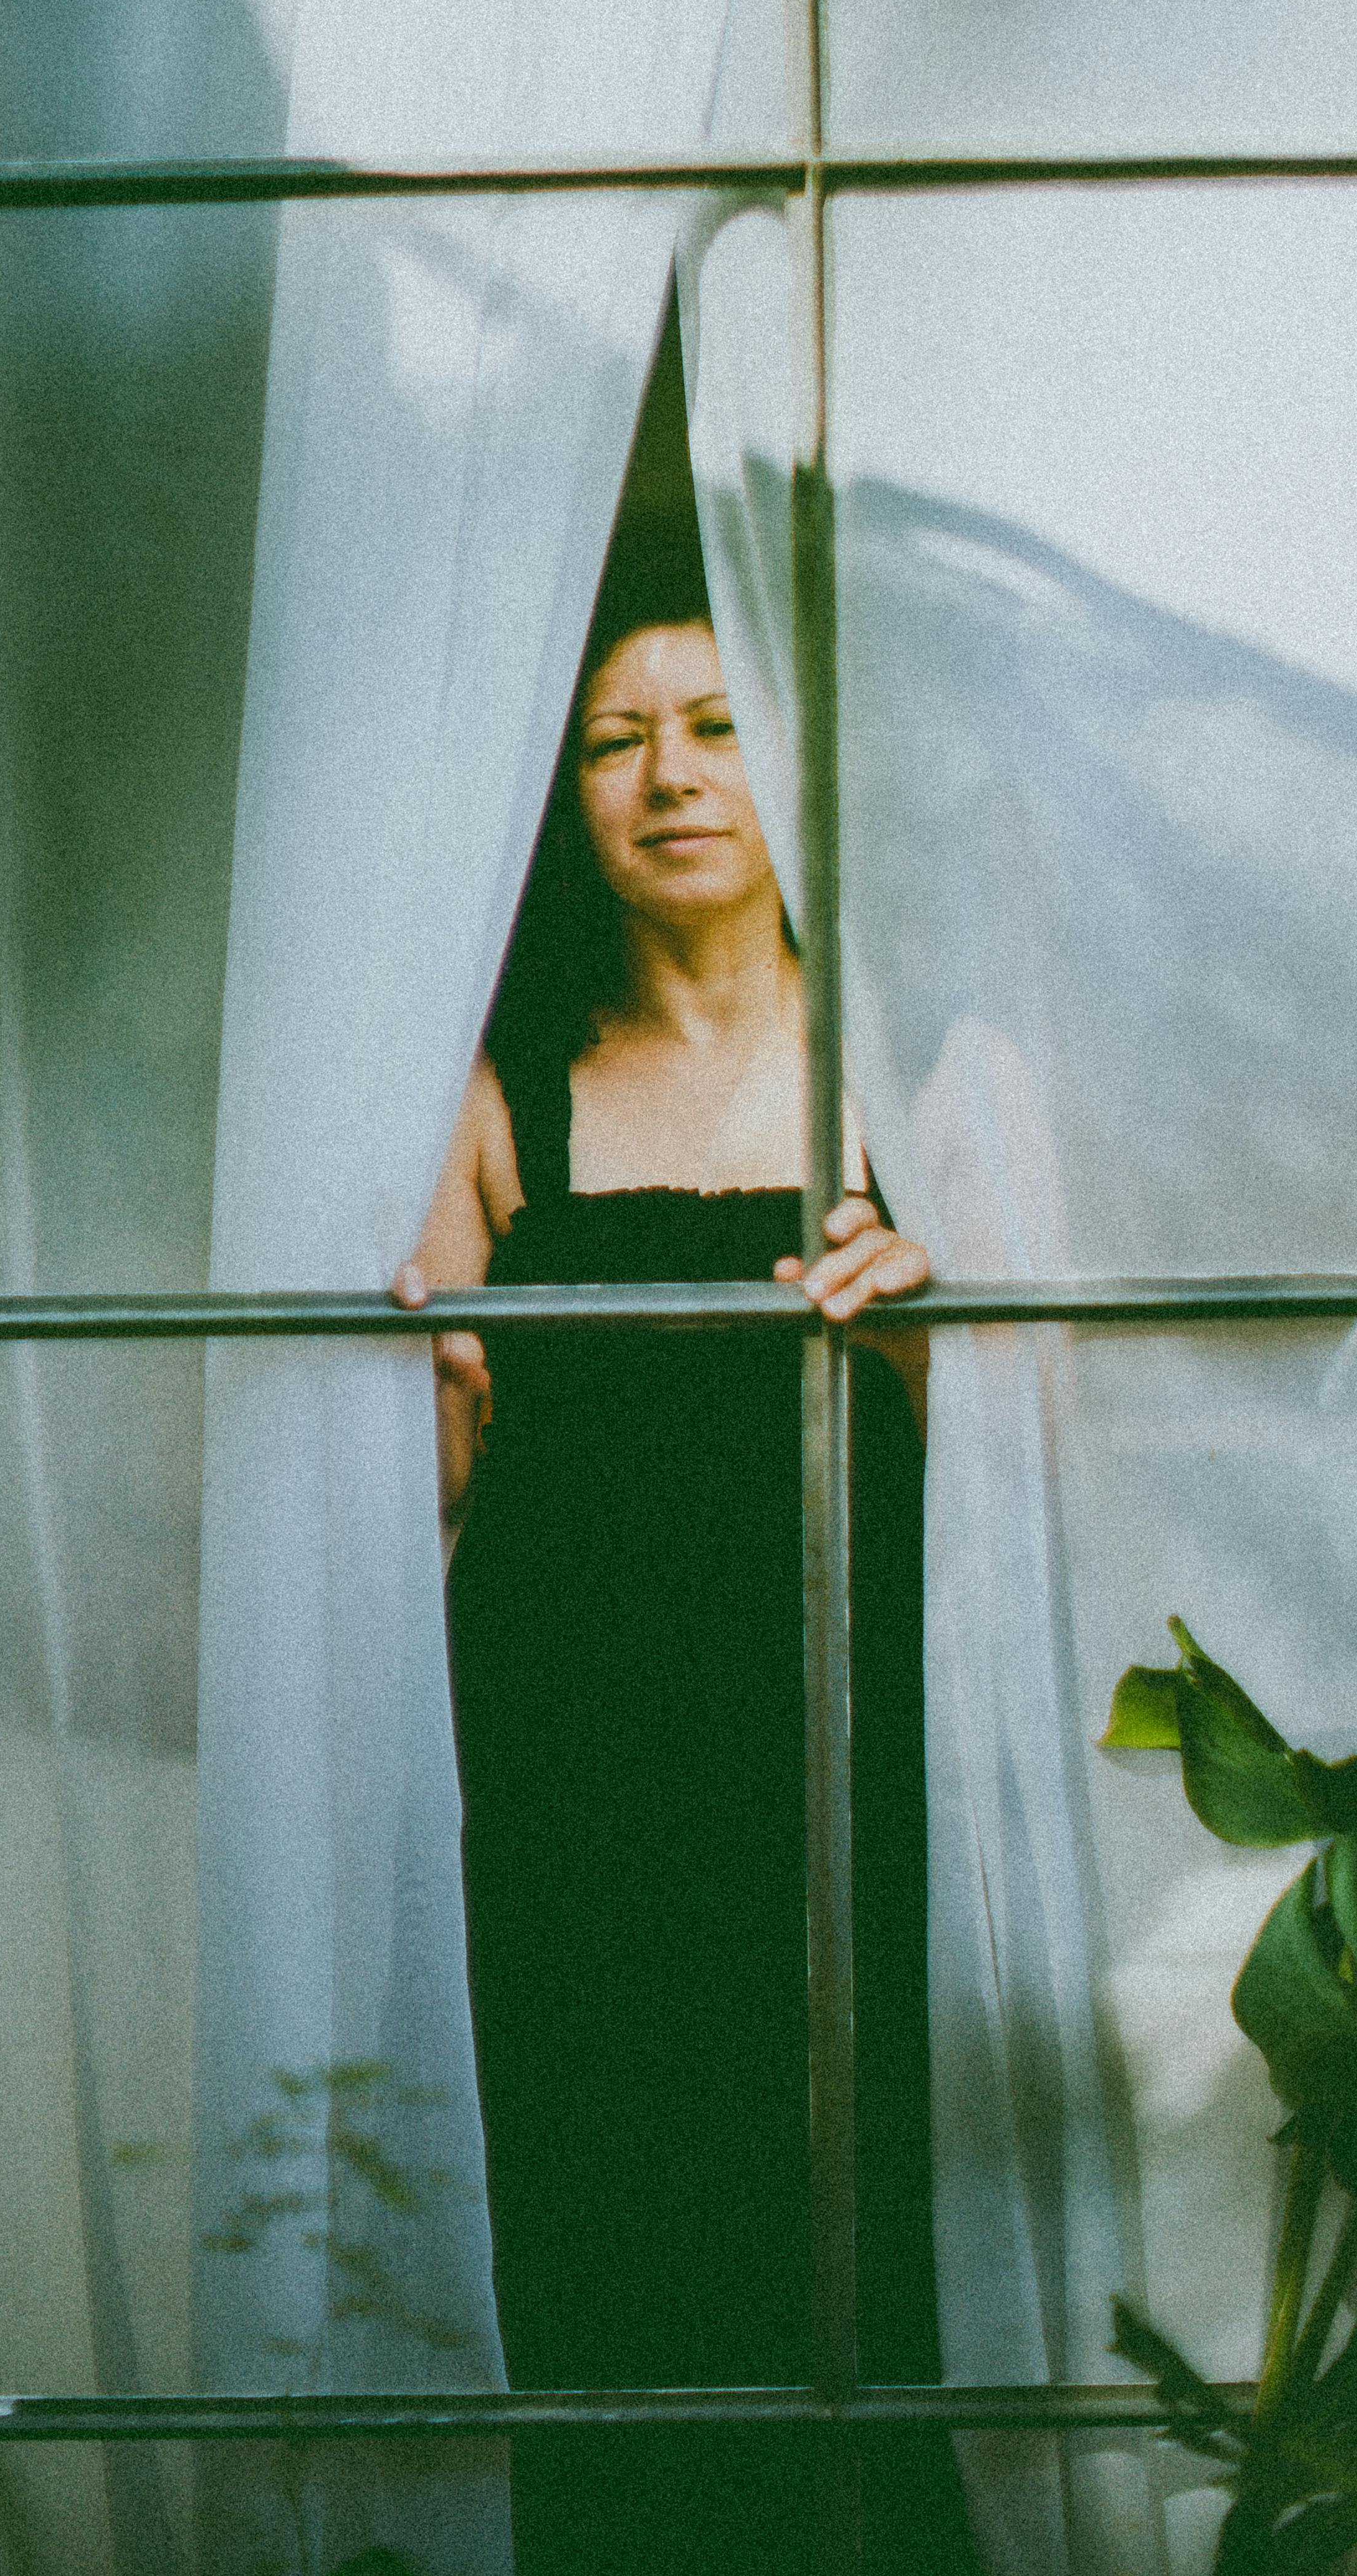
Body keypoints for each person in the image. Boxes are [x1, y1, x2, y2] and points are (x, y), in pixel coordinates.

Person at [391, 537, 959, 2576]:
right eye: (617, 740)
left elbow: (1061, 1479)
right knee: (598, 2211)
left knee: (860, 2210)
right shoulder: (495, 1086)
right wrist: (422, 1383)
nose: (672, 777)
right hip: (571, 1763)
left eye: (719, 728)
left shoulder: (934, 1078)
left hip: (850, 1740)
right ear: (559, 796)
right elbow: (413, 1493)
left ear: (799, 758)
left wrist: (932, 1336)